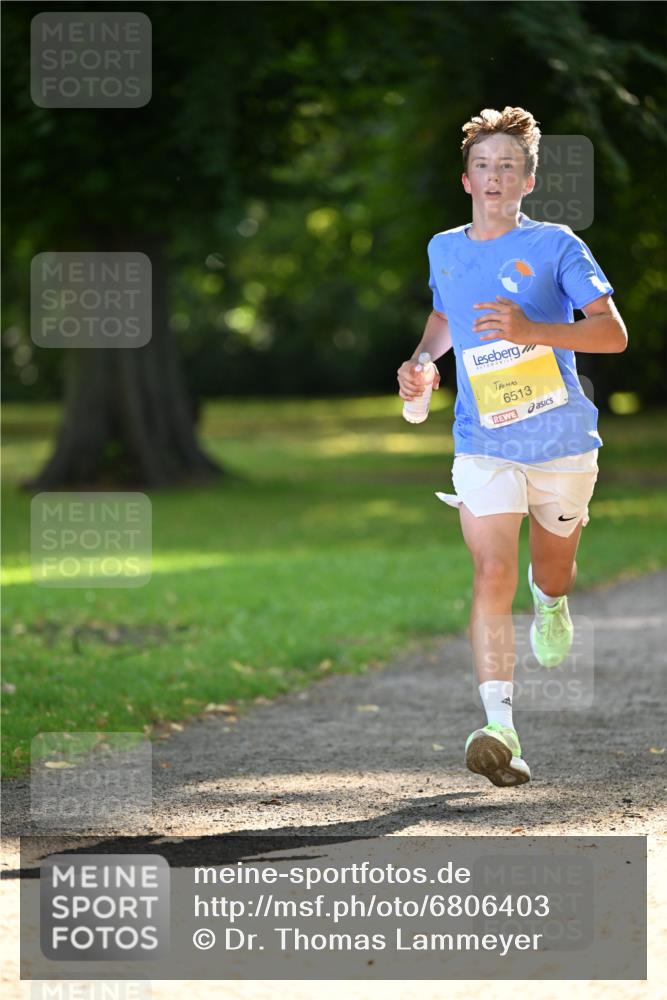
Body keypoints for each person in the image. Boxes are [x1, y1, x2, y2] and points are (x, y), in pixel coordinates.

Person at [397, 106, 627, 788]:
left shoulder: (558, 246)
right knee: (490, 572)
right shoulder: (444, 247)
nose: (493, 177)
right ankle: (498, 725)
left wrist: (531, 330)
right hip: (483, 441)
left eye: (507, 167)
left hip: (559, 442)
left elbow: (611, 334)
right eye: (482, 166)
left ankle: (551, 601)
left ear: (527, 181)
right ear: (464, 179)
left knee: (549, 572)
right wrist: (420, 360)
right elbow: (444, 313)